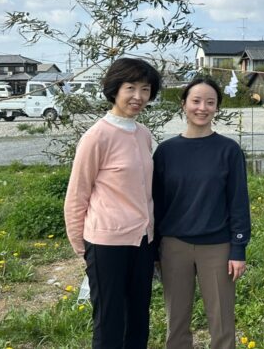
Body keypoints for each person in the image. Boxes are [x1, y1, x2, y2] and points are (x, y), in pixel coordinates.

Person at [64, 57, 161, 348]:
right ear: (114, 90)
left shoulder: (143, 134)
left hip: (143, 240)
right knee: (109, 319)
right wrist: (83, 247)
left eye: (145, 89)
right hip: (106, 242)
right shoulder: (96, 137)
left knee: (138, 317)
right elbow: (77, 194)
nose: (138, 97)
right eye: (130, 88)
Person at [153, 77, 251, 349]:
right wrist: (153, 250)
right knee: (177, 320)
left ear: (217, 107)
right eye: (196, 101)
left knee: (222, 322)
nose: (202, 107)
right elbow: (156, 204)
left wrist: (238, 248)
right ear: (183, 104)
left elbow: (238, 201)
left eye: (210, 102)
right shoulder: (165, 152)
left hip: (218, 246)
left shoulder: (228, 150)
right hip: (174, 245)